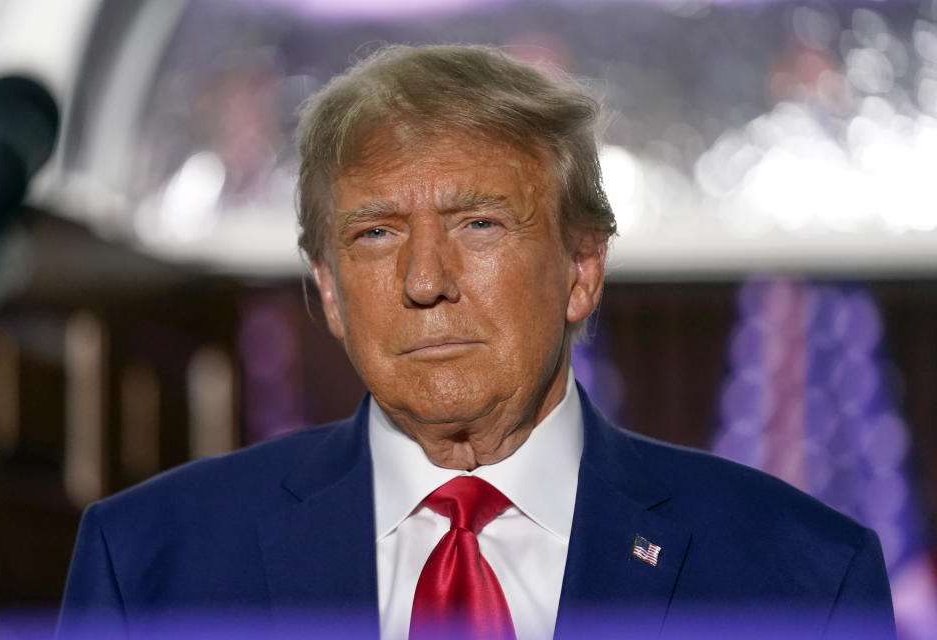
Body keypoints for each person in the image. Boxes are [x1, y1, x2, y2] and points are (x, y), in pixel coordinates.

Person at [58, 45, 895, 639]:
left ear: (581, 268)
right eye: (376, 234)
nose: (426, 279)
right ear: (330, 293)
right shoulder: (151, 564)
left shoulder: (799, 576)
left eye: (480, 223)